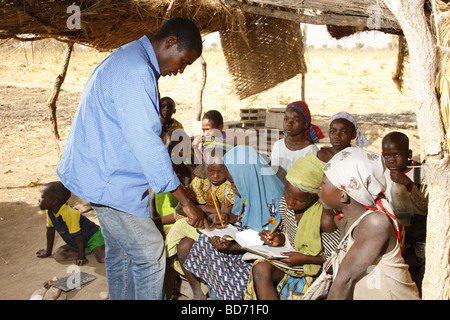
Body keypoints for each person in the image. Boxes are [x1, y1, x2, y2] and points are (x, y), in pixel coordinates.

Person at [56, 17, 206, 300]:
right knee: (150, 252)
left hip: (105, 176)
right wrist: (185, 201)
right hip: (109, 181)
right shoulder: (136, 70)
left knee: (121, 253)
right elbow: (146, 140)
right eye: (183, 61)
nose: (182, 70)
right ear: (171, 42)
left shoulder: (130, 57)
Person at [183, 145, 284, 300]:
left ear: (246, 177)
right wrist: (230, 219)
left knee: (233, 273)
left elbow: (266, 239)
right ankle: (215, 292)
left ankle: (224, 295)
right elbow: (247, 216)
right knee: (205, 242)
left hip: (262, 254)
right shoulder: (250, 188)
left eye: (235, 182)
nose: (233, 188)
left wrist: (232, 246)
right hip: (245, 243)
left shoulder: (274, 200)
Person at [317, 147, 420, 300]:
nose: (319, 186)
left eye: (324, 183)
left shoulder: (375, 223)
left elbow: (344, 281)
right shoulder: (344, 221)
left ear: (344, 195)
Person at [244, 153, 339, 300]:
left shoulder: (324, 219)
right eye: (287, 194)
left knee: (303, 288)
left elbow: (336, 258)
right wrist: (278, 239)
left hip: (315, 267)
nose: (290, 202)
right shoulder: (284, 205)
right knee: (260, 269)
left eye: (299, 200)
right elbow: (287, 233)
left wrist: (306, 259)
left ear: (314, 197)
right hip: (293, 262)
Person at [165, 145, 234, 300]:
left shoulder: (229, 187)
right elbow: (182, 208)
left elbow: (223, 216)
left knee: (180, 227)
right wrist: (196, 209)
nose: (215, 176)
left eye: (220, 171)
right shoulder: (200, 183)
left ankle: (163, 260)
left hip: (220, 232)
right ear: (204, 167)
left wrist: (198, 208)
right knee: (183, 245)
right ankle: (197, 290)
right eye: (210, 170)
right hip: (201, 228)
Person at [381, 131, 427, 292]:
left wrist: (408, 184)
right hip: (399, 236)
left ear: (408, 154)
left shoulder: (421, 172)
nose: (392, 159)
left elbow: (427, 206)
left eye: (398, 154)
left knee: (424, 270)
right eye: (387, 156)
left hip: (421, 235)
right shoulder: (383, 174)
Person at [37, 181, 105, 266]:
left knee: (102, 258)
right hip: (79, 241)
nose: (39, 200)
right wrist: (48, 252)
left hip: (93, 237)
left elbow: (77, 235)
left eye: (42, 197)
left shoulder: (69, 213)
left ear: (54, 201)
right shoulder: (50, 212)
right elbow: (50, 232)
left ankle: (104, 244)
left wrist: (81, 256)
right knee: (59, 255)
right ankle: (91, 249)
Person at [270, 101, 323, 183]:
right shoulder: (278, 145)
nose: (289, 123)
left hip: (297, 194)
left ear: (305, 124)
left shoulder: (311, 150)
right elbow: (273, 174)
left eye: (295, 120)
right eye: (286, 119)